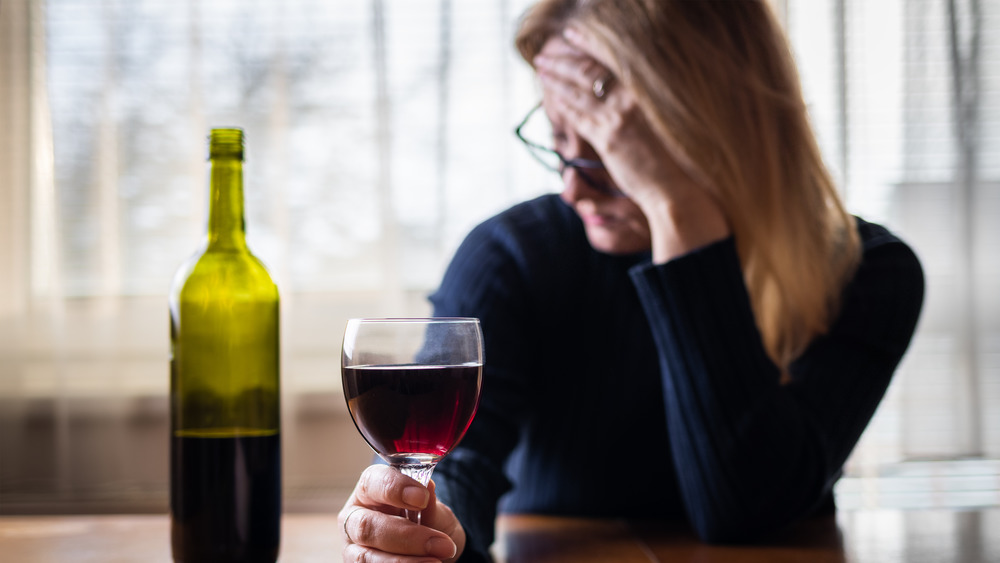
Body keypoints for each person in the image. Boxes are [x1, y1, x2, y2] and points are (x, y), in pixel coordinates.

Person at [337, 1, 925, 561]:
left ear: (717, 127)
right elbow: (461, 471)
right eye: (560, 144)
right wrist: (421, 529)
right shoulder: (511, 256)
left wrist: (679, 212)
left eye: (606, 152)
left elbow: (743, 511)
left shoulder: (869, 274)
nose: (574, 188)